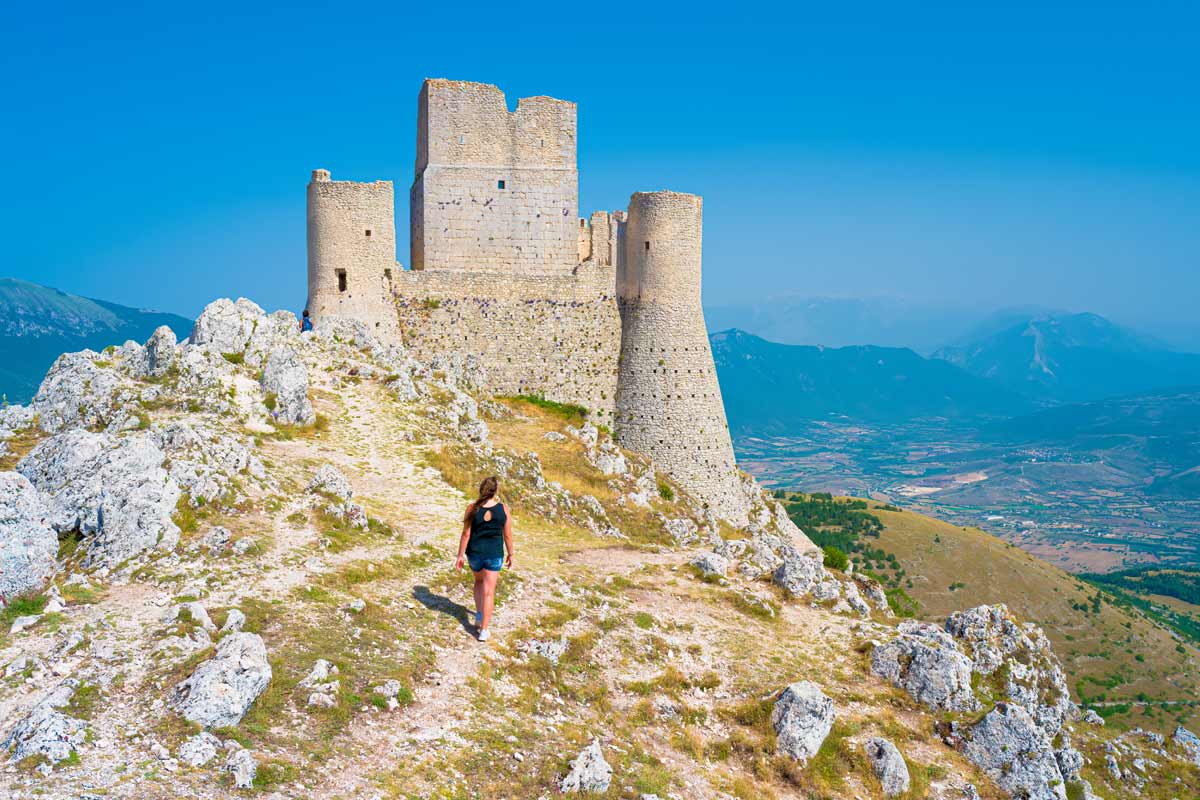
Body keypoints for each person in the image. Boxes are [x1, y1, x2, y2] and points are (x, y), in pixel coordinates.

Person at [454, 476, 513, 641]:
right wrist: (511, 554)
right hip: (494, 555)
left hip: (474, 553)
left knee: (479, 582)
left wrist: (460, 555)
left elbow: (466, 533)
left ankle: (479, 614)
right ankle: (484, 631)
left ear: (481, 489)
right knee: (489, 592)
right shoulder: (504, 509)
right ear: (496, 491)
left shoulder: (471, 508)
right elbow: (507, 535)